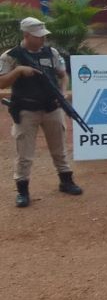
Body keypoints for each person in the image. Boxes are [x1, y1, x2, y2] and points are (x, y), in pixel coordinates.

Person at [0, 17, 82, 208]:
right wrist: (18, 71)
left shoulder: (51, 52)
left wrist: (62, 93)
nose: (42, 39)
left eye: (44, 35)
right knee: (24, 153)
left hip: (51, 107)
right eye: (38, 36)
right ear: (26, 35)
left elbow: (63, 75)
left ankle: (66, 180)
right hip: (26, 110)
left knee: (59, 148)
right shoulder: (11, 56)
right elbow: (2, 82)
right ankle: (22, 190)